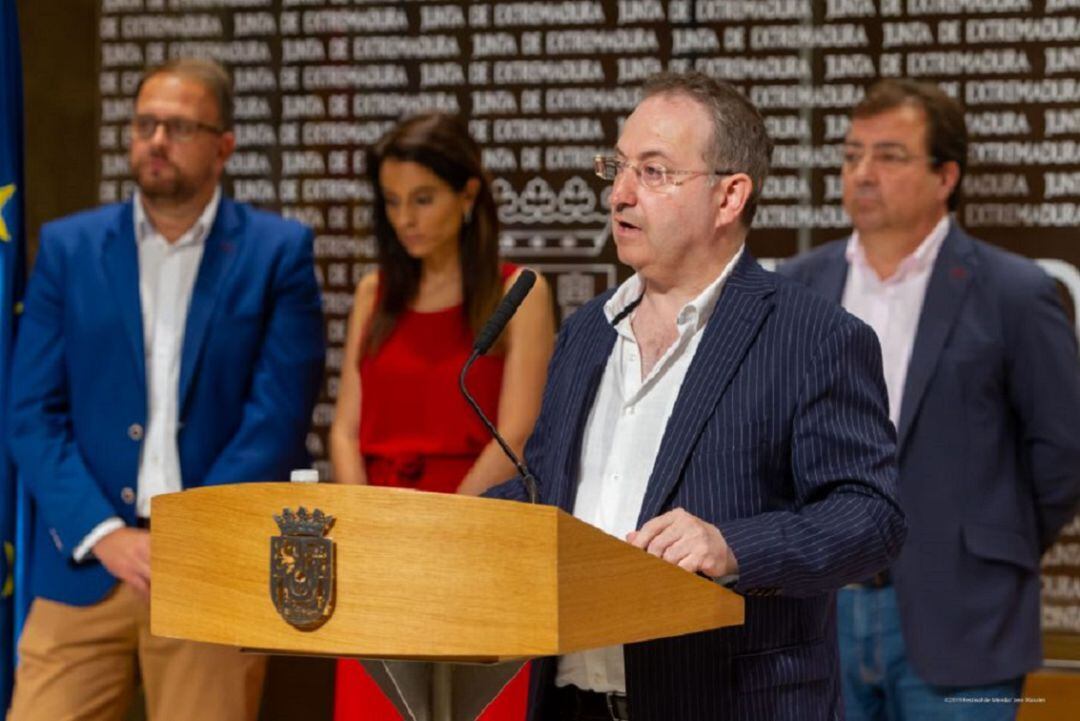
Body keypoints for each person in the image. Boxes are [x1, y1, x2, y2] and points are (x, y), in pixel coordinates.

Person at [486, 70, 906, 721]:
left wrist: (734, 545)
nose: (620, 194)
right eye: (618, 168)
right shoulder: (587, 332)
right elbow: (545, 489)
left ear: (729, 195)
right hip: (568, 698)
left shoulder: (812, 336)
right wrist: (452, 527)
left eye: (653, 172)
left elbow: (871, 517)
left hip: (723, 699)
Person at [6, 58, 325, 721]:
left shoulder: (277, 252)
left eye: (178, 126)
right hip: (85, 561)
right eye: (145, 123)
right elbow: (32, 412)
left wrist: (186, 534)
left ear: (224, 145)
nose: (155, 140)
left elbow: (278, 415)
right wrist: (104, 533)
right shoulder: (69, 247)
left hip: (209, 567)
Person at [780, 79, 1080, 720]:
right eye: (853, 154)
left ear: (947, 176)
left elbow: (1062, 454)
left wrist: (984, 552)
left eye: (889, 156)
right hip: (819, 615)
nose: (862, 173)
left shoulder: (1014, 291)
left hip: (966, 619)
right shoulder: (800, 288)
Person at [329, 112, 555, 720]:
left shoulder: (519, 295)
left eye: (423, 199)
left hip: (476, 537)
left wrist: (442, 532)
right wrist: (370, 529)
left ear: (468, 195)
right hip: (377, 546)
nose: (406, 218)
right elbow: (345, 429)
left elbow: (518, 431)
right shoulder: (376, 293)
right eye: (394, 202)